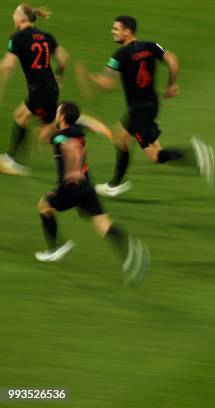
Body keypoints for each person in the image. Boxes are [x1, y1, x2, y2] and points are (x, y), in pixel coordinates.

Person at [76, 15, 215, 197]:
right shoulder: (151, 46)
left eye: (116, 29)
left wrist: (86, 76)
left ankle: (196, 154)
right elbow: (173, 60)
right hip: (151, 104)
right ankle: (115, 184)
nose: (112, 31)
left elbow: (106, 85)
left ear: (128, 31)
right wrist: (171, 85)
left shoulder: (119, 56)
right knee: (120, 137)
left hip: (138, 112)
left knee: (155, 156)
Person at [36, 101, 149, 287]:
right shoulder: (78, 131)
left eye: (58, 111)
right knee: (103, 224)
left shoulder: (59, 137)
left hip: (71, 187)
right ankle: (129, 249)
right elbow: (83, 122)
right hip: (87, 187)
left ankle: (56, 248)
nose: (56, 113)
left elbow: (66, 144)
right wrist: (99, 127)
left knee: (44, 206)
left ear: (63, 116)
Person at [0, 4, 68, 176]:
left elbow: (7, 65)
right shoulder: (46, 36)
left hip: (39, 90)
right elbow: (64, 58)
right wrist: (59, 76)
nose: (13, 15)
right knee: (22, 117)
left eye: (15, 13)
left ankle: (76, 137)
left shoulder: (17, 38)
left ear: (22, 18)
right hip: (49, 87)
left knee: (45, 135)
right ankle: (10, 159)